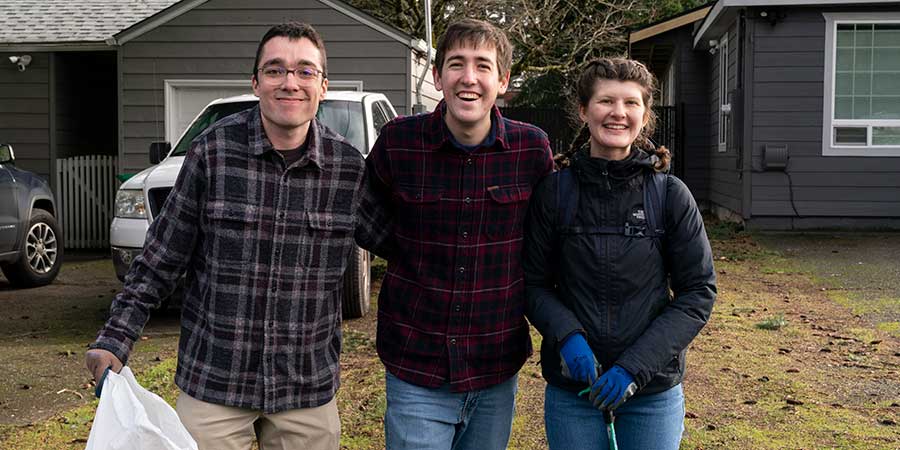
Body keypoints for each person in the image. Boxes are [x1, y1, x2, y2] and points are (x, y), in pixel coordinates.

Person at [85, 22, 364, 450]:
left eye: (305, 71)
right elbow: (161, 256)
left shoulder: (348, 169)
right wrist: (115, 339)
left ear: (323, 86)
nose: (290, 82)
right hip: (215, 381)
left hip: (305, 387)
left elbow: (403, 240)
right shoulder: (211, 152)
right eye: (275, 70)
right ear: (256, 83)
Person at [354, 18, 554, 450]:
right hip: (415, 363)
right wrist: (409, 251)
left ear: (502, 80)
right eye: (456, 64)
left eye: (483, 66)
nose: (469, 78)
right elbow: (366, 217)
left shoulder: (531, 151)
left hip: (495, 365)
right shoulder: (398, 143)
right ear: (438, 75)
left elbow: (545, 241)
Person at [523, 57, 717, 450]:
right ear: (583, 110)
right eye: (605, 101)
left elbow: (698, 293)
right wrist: (568, 337)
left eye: (631, 103)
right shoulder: (554, 193)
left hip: (652, 394)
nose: (618, 113)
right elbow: (533, 284)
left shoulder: (670, 196)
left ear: (645, 116)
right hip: (574, 390)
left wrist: (634, 367)